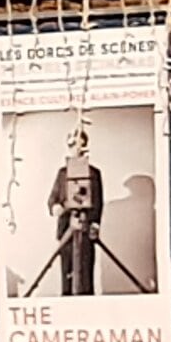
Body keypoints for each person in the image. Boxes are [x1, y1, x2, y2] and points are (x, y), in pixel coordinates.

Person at [47, 125, 106, 298]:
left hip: (86, 230)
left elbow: (98, 202)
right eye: (72, 145)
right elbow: (53, 198)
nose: (75, 149)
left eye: (79, 144)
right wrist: (55, 207)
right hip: (66, 230)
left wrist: (94, 224)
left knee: (86, 271)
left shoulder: (94, 174)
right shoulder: (62, 174)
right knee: (67, 271)